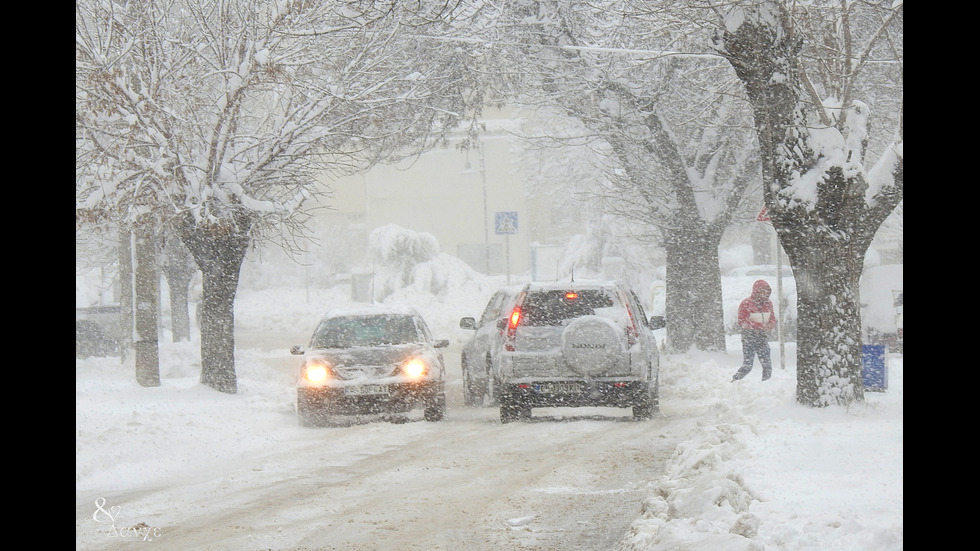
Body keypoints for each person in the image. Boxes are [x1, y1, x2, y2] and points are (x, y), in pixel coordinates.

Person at [731, 279, 777, 382]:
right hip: (749, 337)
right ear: (756, 291)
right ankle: (734, 381)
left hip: (762, 337)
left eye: (767, 291)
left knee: (767, 365)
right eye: (762, 291)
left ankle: (766, 384)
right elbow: (741, 321)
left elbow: (772, 318)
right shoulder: (746, 304)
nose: (765, 294)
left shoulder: (768, 304)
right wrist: (758, 326)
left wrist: (771, 325)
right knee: (747, 366)